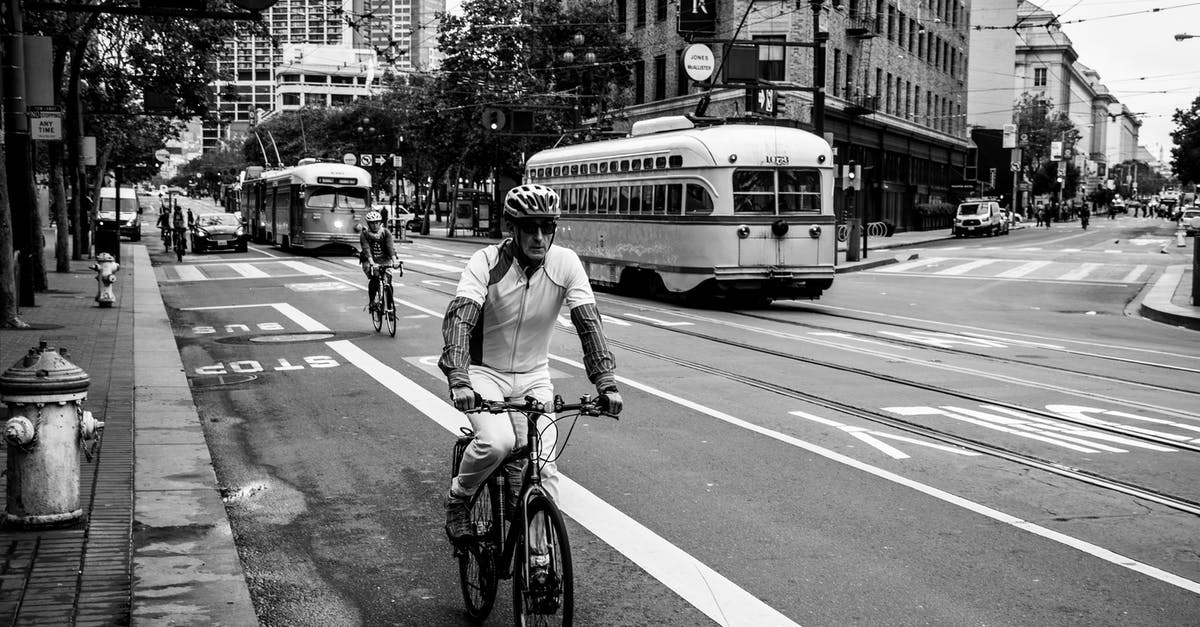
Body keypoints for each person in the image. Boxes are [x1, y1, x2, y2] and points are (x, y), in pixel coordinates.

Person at [439, 184, 623, 566]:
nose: (539, 237)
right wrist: (459, 378)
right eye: (530, 228)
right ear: (513, 228)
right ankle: (459, 498)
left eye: (547, 227)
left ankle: (539, 560)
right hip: (483, 372)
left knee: (543, 464)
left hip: (534, 375)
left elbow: (589, 324)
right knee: (498, 443)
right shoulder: (486, 263)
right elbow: (460, 318)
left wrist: (605, 381)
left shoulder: (566, 264)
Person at [358, 210, 400, 312]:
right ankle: (372, 302)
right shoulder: (364, 234)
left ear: (380, 222)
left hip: (384, 259)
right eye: (372, 223)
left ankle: (390, 308)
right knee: (375, 278)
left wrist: (395, 261)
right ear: (368, 224)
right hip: (369, 260)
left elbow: (390, 248)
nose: (375, 225)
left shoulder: (386, 233)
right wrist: (372, 263)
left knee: (388, 283)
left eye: (377, 222)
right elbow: (366, 249)